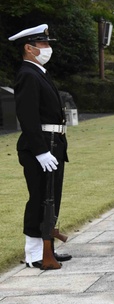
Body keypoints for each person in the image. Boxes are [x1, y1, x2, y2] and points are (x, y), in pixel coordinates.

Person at [10, 24, 72, 268]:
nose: (48, 48)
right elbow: (27, 116)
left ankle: (48, 249)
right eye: (43, 44)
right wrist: (40, 151)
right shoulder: (27, 74)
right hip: (41, 146)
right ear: (29, 48)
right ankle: (34, 254)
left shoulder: (39, 72)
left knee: (51, 198)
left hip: (54, 143)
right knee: (39, 198)